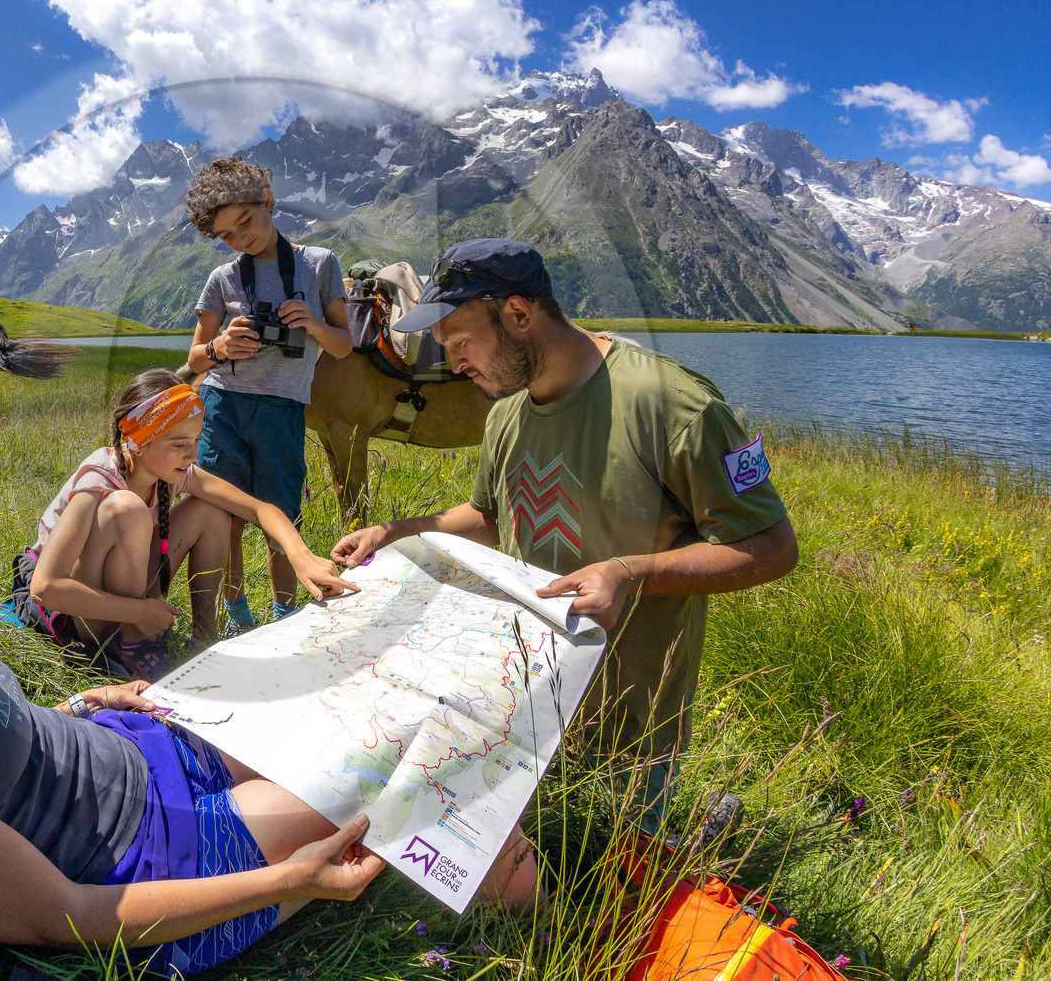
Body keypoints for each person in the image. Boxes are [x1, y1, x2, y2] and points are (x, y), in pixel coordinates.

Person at [0, 388, 536, 976]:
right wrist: (292, 882)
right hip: (153, 857)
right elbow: (67, 914)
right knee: (415, 764)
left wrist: (85, 700)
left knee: (370, 699)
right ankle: (551, 930)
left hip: (132, 745)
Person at [332, 238, 799, 834]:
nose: (453, 364)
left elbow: (771, 547)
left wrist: (630, 573)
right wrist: (396, 532)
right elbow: (489, 516)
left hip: (635, 713)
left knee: (622, 874)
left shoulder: (676, 405)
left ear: (519, 316)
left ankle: (701, 838)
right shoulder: (505, 412)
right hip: (529, 695)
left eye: (461, 342)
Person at [13, 367, 356, 680]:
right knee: (128, 509)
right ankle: (131, 646)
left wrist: (300, 556)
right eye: (179, 444)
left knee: (210, 511)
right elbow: (45, 588)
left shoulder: (169, 471)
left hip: (123, 598)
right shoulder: (97, 481)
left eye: (195, 441)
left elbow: (259, 509)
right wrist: (140, 610)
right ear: (134, 439)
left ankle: (203, 642)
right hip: (73, 611)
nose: (192, 455)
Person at [185, 157, 351, 630]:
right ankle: (237, 616)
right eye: (228, 236)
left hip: (282, 409)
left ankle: (285, 615)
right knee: (225, 519)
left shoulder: (319, 264)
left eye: (247, 222)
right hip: (224, 404)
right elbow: (196, 356)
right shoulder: (223, 278)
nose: (242, 239)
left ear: (269, 202)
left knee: (281, 516)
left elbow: (343, 345)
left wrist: (313, 324)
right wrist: (218, 347)